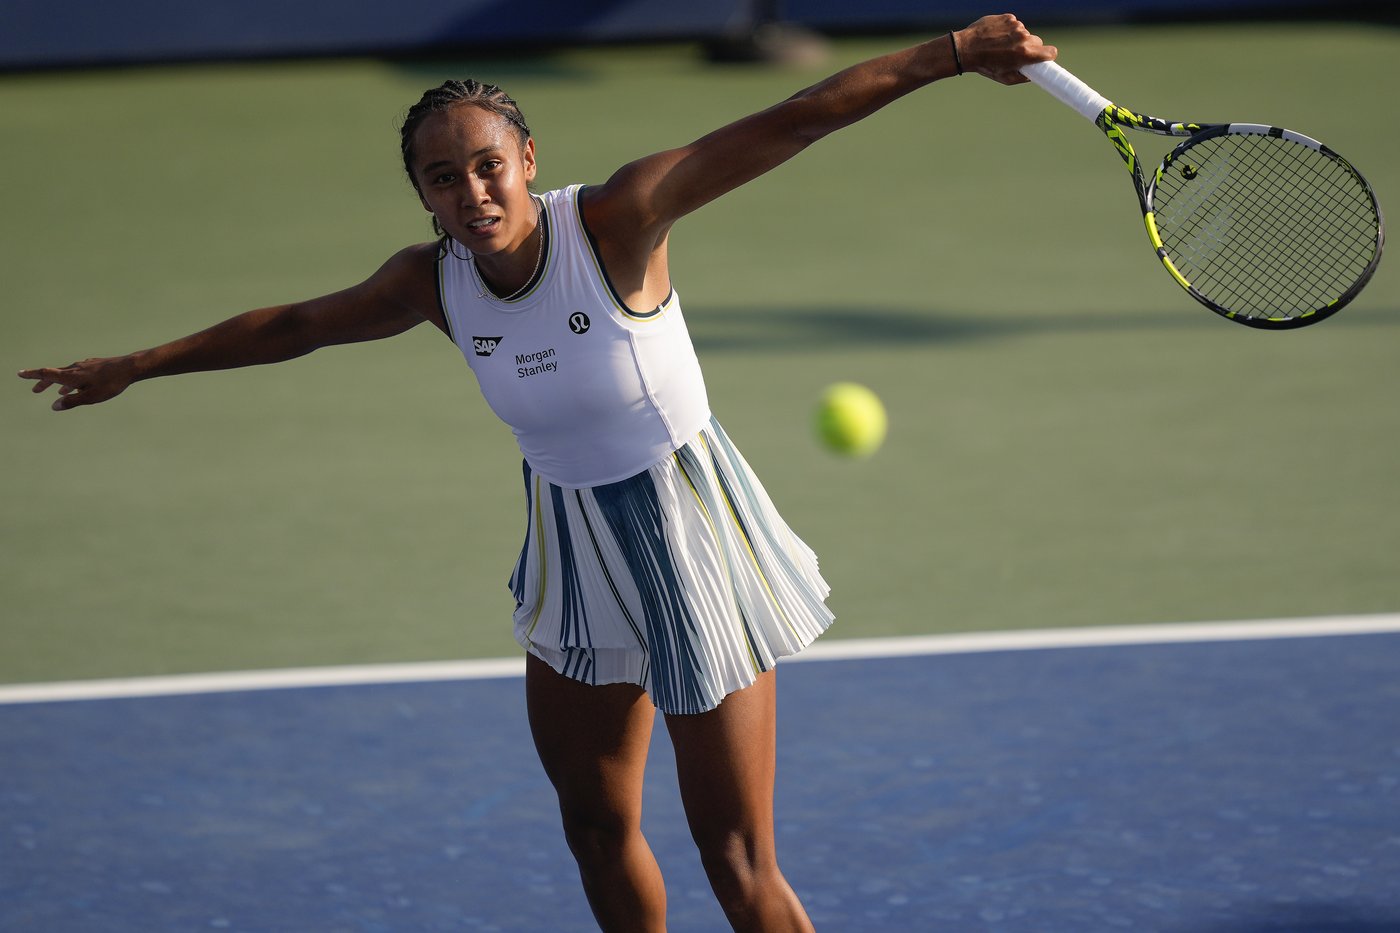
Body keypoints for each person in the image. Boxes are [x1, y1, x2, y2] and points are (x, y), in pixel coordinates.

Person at [20, 15, 1054, 932]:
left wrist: (951, 54)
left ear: (525, 157)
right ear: (420, 194)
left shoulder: (617, 219)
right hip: (572, 548)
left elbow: (791, 118)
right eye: (441, 177)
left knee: (736, 865)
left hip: (692, 540)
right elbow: (295, 326)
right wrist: (135, 368)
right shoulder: (429, 282)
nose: (470, 194)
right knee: (596, 831)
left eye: (485, 166)